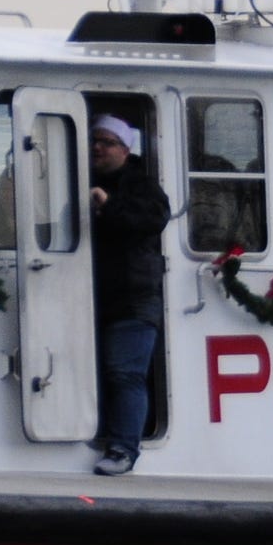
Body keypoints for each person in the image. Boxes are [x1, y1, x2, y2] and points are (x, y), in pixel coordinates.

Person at [87, 113, 172, 475]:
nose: (97, 148)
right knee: (96, 372)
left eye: (107, 142)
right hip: (87, 297)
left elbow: (153, 219)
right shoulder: (74, 177)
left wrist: (108, 205)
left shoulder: (143, 186)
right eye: (94, 141)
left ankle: (124, 448)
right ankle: (97, 433)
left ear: (125, 149)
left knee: (126, 374)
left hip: (133, 298)